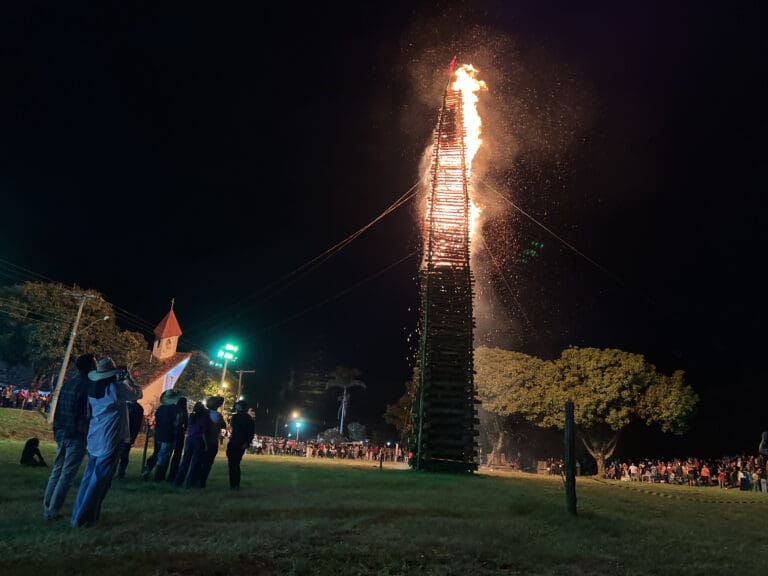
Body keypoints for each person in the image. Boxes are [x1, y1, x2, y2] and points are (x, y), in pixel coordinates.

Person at [71, 356, 142, 528]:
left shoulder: (94, 389)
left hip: (95, 436)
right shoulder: (116, 388)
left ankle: (79, 514)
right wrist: (129, 378)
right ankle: (83, 518)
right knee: (100, 481)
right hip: (111, 438)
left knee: (88, 478)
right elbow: (138, 394)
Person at [43, 353, 94, 521]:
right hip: (76, 434)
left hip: (62, 432)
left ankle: (47, 505)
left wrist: (57, 430)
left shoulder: (68, 384)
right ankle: (53, 510)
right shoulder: (87, 386)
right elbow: (86, 413)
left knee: (57, 470)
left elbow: (58, 410)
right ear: (90, 367)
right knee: (67, 474)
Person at [172, 401, 210, 488]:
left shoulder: (192, 416)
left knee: (185, 460)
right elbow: (203, 432)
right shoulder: (204, 418)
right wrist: (206, 444)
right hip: (198, 439)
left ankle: (178, 481)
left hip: (189, 438)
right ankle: (190, 482)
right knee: (195, 462)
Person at [150, 389, 181, 481]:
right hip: (169, 435)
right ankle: (158, 476)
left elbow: (156, 421)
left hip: (159, 434)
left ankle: (149, 469)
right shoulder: (176, 409)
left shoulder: (160, 409)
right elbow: (177, 422)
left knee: (157, 453)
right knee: (164, 455)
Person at [226, 399, 255, 490]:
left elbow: (232, 426)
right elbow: (251, 433)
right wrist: (247, 443)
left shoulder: (236, 417)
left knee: (232, 464)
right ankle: (236, 484)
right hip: (241, 443)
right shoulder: (249, 418)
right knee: (236, 463)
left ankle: (233, 484)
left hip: (234, 442)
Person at [199, 395, 225, 488]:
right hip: (213, 442)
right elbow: (223, 425)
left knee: (199, 461)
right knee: (208, 463)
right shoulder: (219, 416)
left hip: (202, 441)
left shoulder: (204, 413)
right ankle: (203, 481)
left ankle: (196, 479)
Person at [115, 399, 144, 479]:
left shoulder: (131, 407)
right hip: (124, 433)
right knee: (121, 454)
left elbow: (137, 425)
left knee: (122, 454)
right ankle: (118, 473)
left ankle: (120, 473)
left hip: (125, 433)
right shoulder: (137, 408)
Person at [166, 396, 188, 483]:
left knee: (167, 453)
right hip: (179, 434)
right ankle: (172, 474)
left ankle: (161, 473)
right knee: (177, 455)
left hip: (171, 432)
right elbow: (186, 424)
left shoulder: (173, 409)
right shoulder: (184, 411)